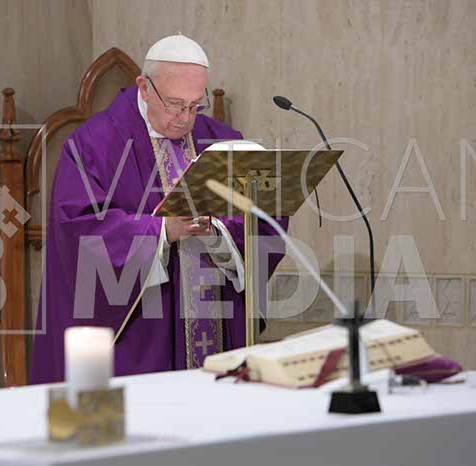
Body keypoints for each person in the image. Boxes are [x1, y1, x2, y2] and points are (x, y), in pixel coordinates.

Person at [30, 34, 288, 383]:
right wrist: (163, 230)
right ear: (144, 87)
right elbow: (79, 229)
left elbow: (264, 221)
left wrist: (219, 232)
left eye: (195, 105)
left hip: (217, 323)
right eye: (175, 104)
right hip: (142, 340)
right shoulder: (93, 144)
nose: (185, 118)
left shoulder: (222, 140)